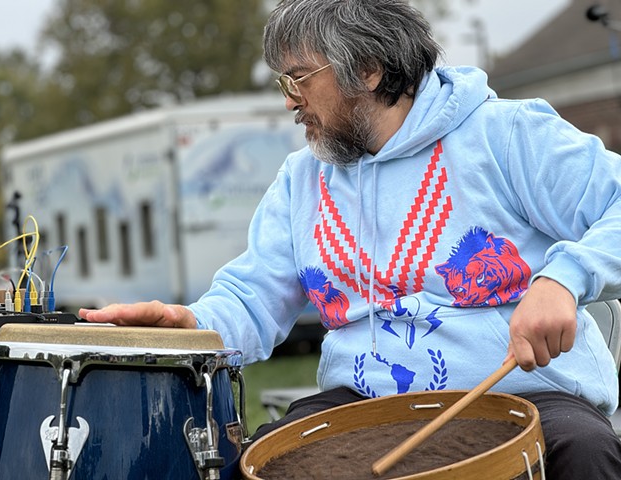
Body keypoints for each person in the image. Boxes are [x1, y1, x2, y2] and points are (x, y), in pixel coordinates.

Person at [80, 0, 621, 477]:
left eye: (299, 78)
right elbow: (251, 300)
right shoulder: (301, 180)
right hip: (367, 404)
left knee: (587, 451)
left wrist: (562, 280)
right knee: (259, 460)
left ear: (367, 69)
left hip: (525, 396)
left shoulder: (507, 135)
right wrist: (189, 323)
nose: (291, 102)